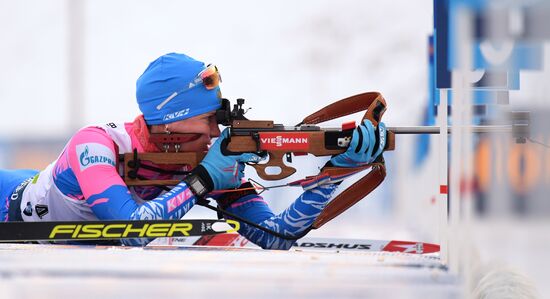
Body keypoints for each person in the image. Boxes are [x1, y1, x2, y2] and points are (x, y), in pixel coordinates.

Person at [0, 53, 386, 249]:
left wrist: (335, 170)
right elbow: (131, 231)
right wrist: (202, 181)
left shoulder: (208, 162)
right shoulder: (97, 144)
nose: (217, 131)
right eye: (209, 119)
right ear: (170, 121)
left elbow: (277, 235)